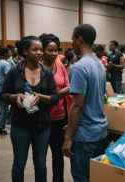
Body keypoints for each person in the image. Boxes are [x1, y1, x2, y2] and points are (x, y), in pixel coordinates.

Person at [0, 36, 59, 182]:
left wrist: (42, 97)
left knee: (40, 164)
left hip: (42, 126)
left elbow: (55, 97)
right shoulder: (15, 71)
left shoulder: (47, 73)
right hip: (20, 125)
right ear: (25, 51)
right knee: (19, 164)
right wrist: (15, 97)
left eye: (40, 49)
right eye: (35, 49)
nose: (39, 52)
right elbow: (2, 94)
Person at [62, 24, 107, 182]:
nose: (71, 43)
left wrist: (68, 137)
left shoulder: (79, 67)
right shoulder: (99, 64)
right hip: (100, 131)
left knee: (82, 177)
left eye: (72, 39)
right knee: (96, 176)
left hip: (85, 135)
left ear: (79, 40)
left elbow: (78, 106)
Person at [39, 33, 72, 182]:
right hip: (42, 119)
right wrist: (57, 94)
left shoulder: (59, 65)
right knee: (40, 157)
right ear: (42, 50)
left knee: (58, 155)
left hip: (60, 117)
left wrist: (51, 97)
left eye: (56, 50)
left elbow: (69, 88)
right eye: (50, 50)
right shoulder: (36, 68)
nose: (53, 54)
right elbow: (35, 94)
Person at [0, 47, 12, 135]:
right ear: (5, 53)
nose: (11, 53)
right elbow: (9, 75)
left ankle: (3, 126)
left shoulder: (0, 62)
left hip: (0, 87)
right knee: (5, 110)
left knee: (4, 109)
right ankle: (1, 128)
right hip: (4, 89)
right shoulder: (5, 63)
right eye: (9, 51)